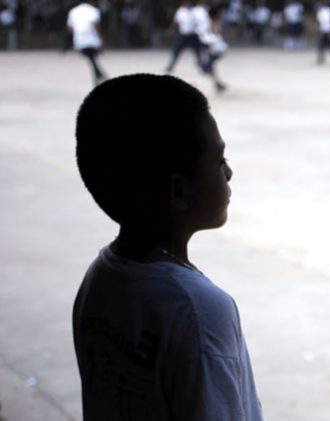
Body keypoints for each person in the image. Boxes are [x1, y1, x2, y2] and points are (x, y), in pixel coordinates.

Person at [73, 74, 263, 420]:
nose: (229, 173)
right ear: (178, 191)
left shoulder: (98, 278)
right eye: (219, 161)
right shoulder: (199, 310)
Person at [67, 0, 107, 85]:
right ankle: (99, 74)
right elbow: (96, 26)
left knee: (91, 58)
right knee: (92, 57)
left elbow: (70, 29)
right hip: (92, 40)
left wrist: (74, 38)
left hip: (79, 40)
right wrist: (100, 38)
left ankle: (98, 75)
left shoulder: (73, 11)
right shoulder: (94, 10)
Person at [165, 0, 204, 74]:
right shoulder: (180, 11)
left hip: (193, 34)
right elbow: (176, 22)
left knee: (197, 52)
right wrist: (172, 29)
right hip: (183, 34)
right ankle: (171, 65)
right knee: (176, 50)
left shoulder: (195, 11)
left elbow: (200, 21)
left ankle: (202, 66)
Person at [200, 5, 228, 92]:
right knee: (208, 67)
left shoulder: (214, 23)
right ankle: (218, 83)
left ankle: (218, 83)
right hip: (218, 49)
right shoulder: (214, 22)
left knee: (206, 67)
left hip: (216, 49)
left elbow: (214, 36)